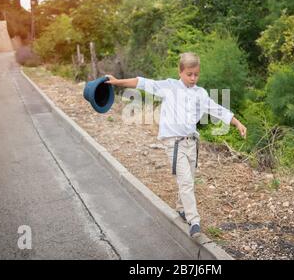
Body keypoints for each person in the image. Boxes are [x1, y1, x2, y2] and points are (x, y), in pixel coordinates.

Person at [105, 52, 247, 238]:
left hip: (192, 143)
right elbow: (142, 82)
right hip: (174, 144)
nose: (193, 78)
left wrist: (237, 123)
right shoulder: (169, 87)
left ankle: (181, 208)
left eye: (196, 74)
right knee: (186, 181)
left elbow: (216, 109)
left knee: (189, 180)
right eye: (189, 74)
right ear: (180, 72)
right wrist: (117, 82)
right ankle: (194, 221)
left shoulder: (200, 93)